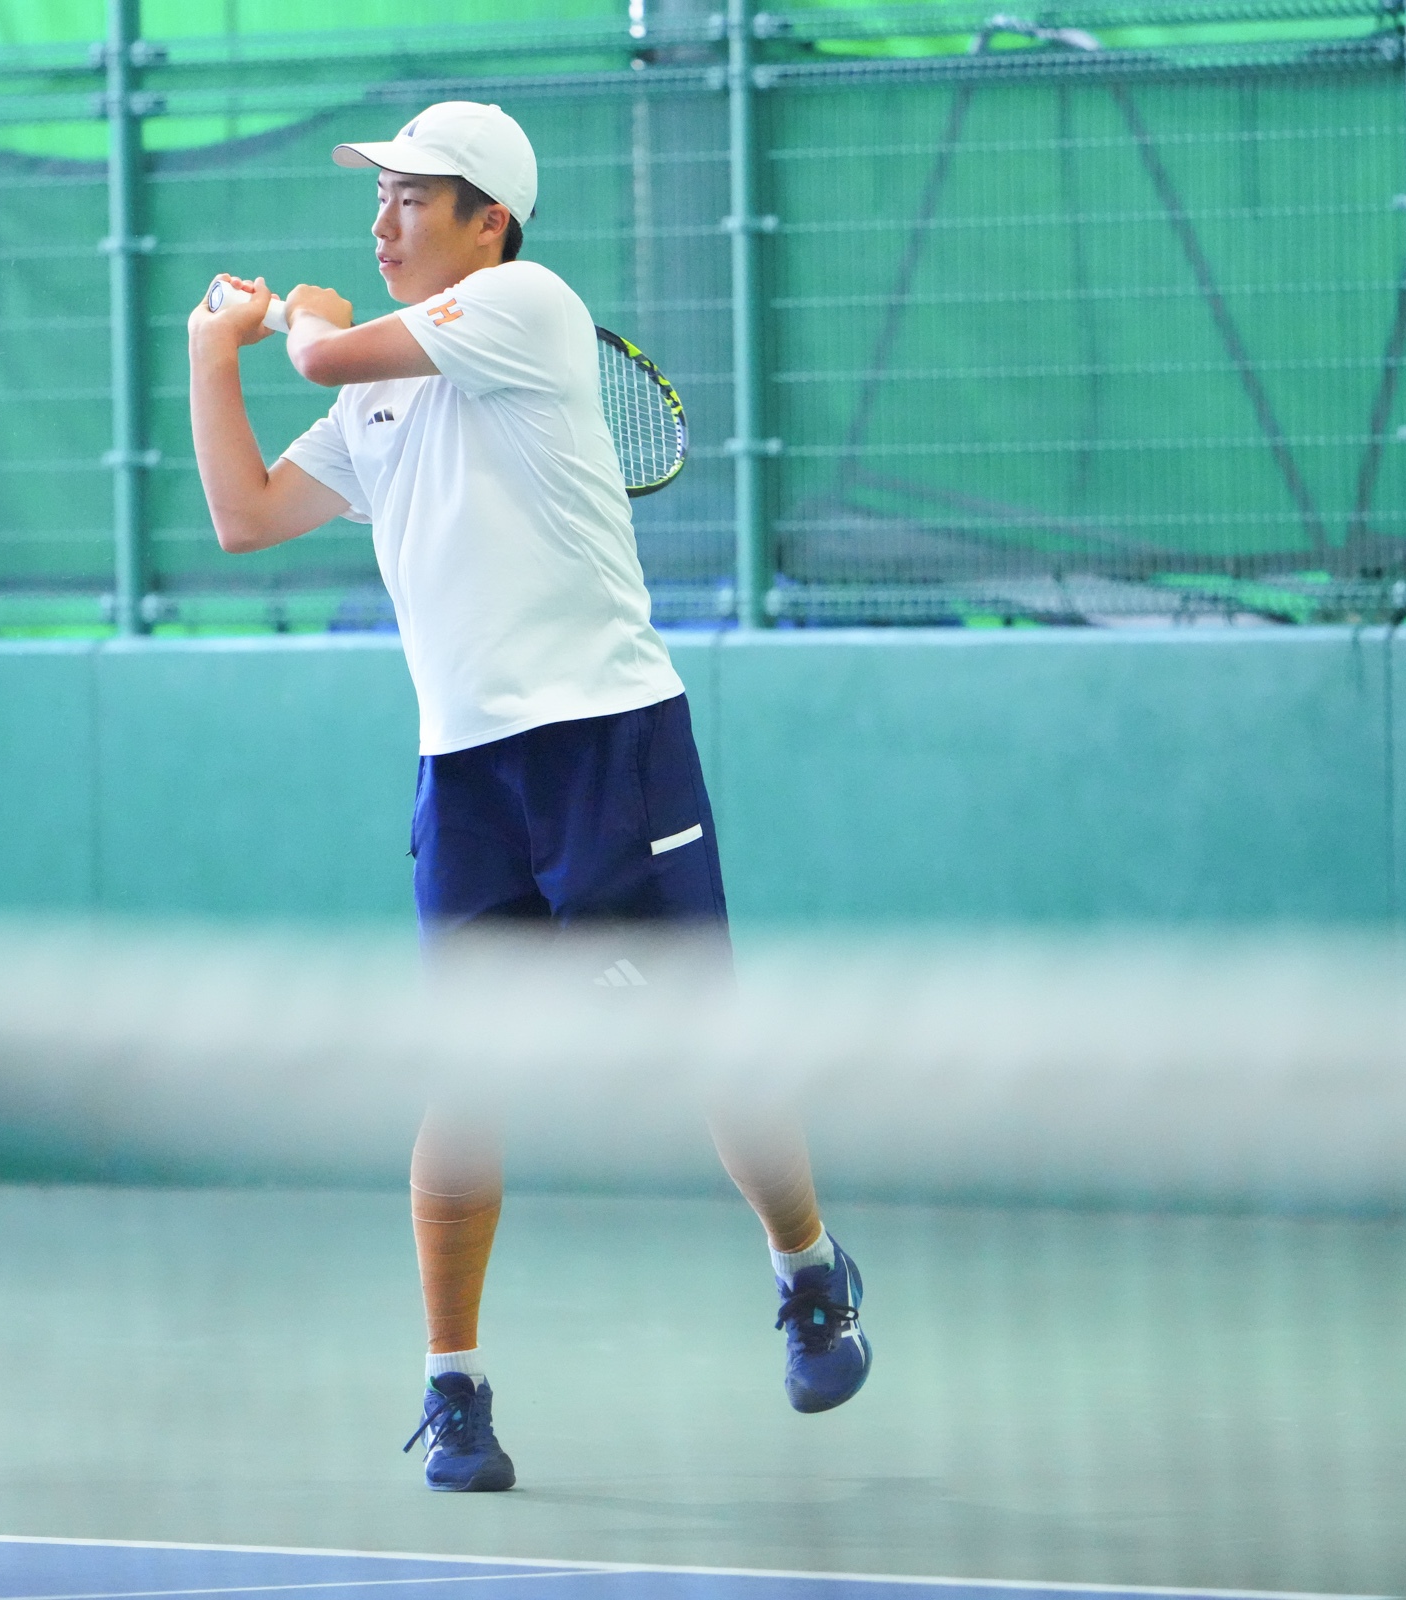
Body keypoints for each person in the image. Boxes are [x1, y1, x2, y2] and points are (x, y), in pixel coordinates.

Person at [183, 100, 869, 1494]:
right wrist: (209, 354)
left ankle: (808, 1270)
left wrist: (295, 321)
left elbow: (320, 344)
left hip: (611, 745)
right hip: (468, 778)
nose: (382, 222)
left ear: (487, 219)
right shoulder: (372, 398)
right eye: (378, 198)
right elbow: (244, 516)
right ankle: (455, 1389)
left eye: (410, 198)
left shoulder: (530, 306)